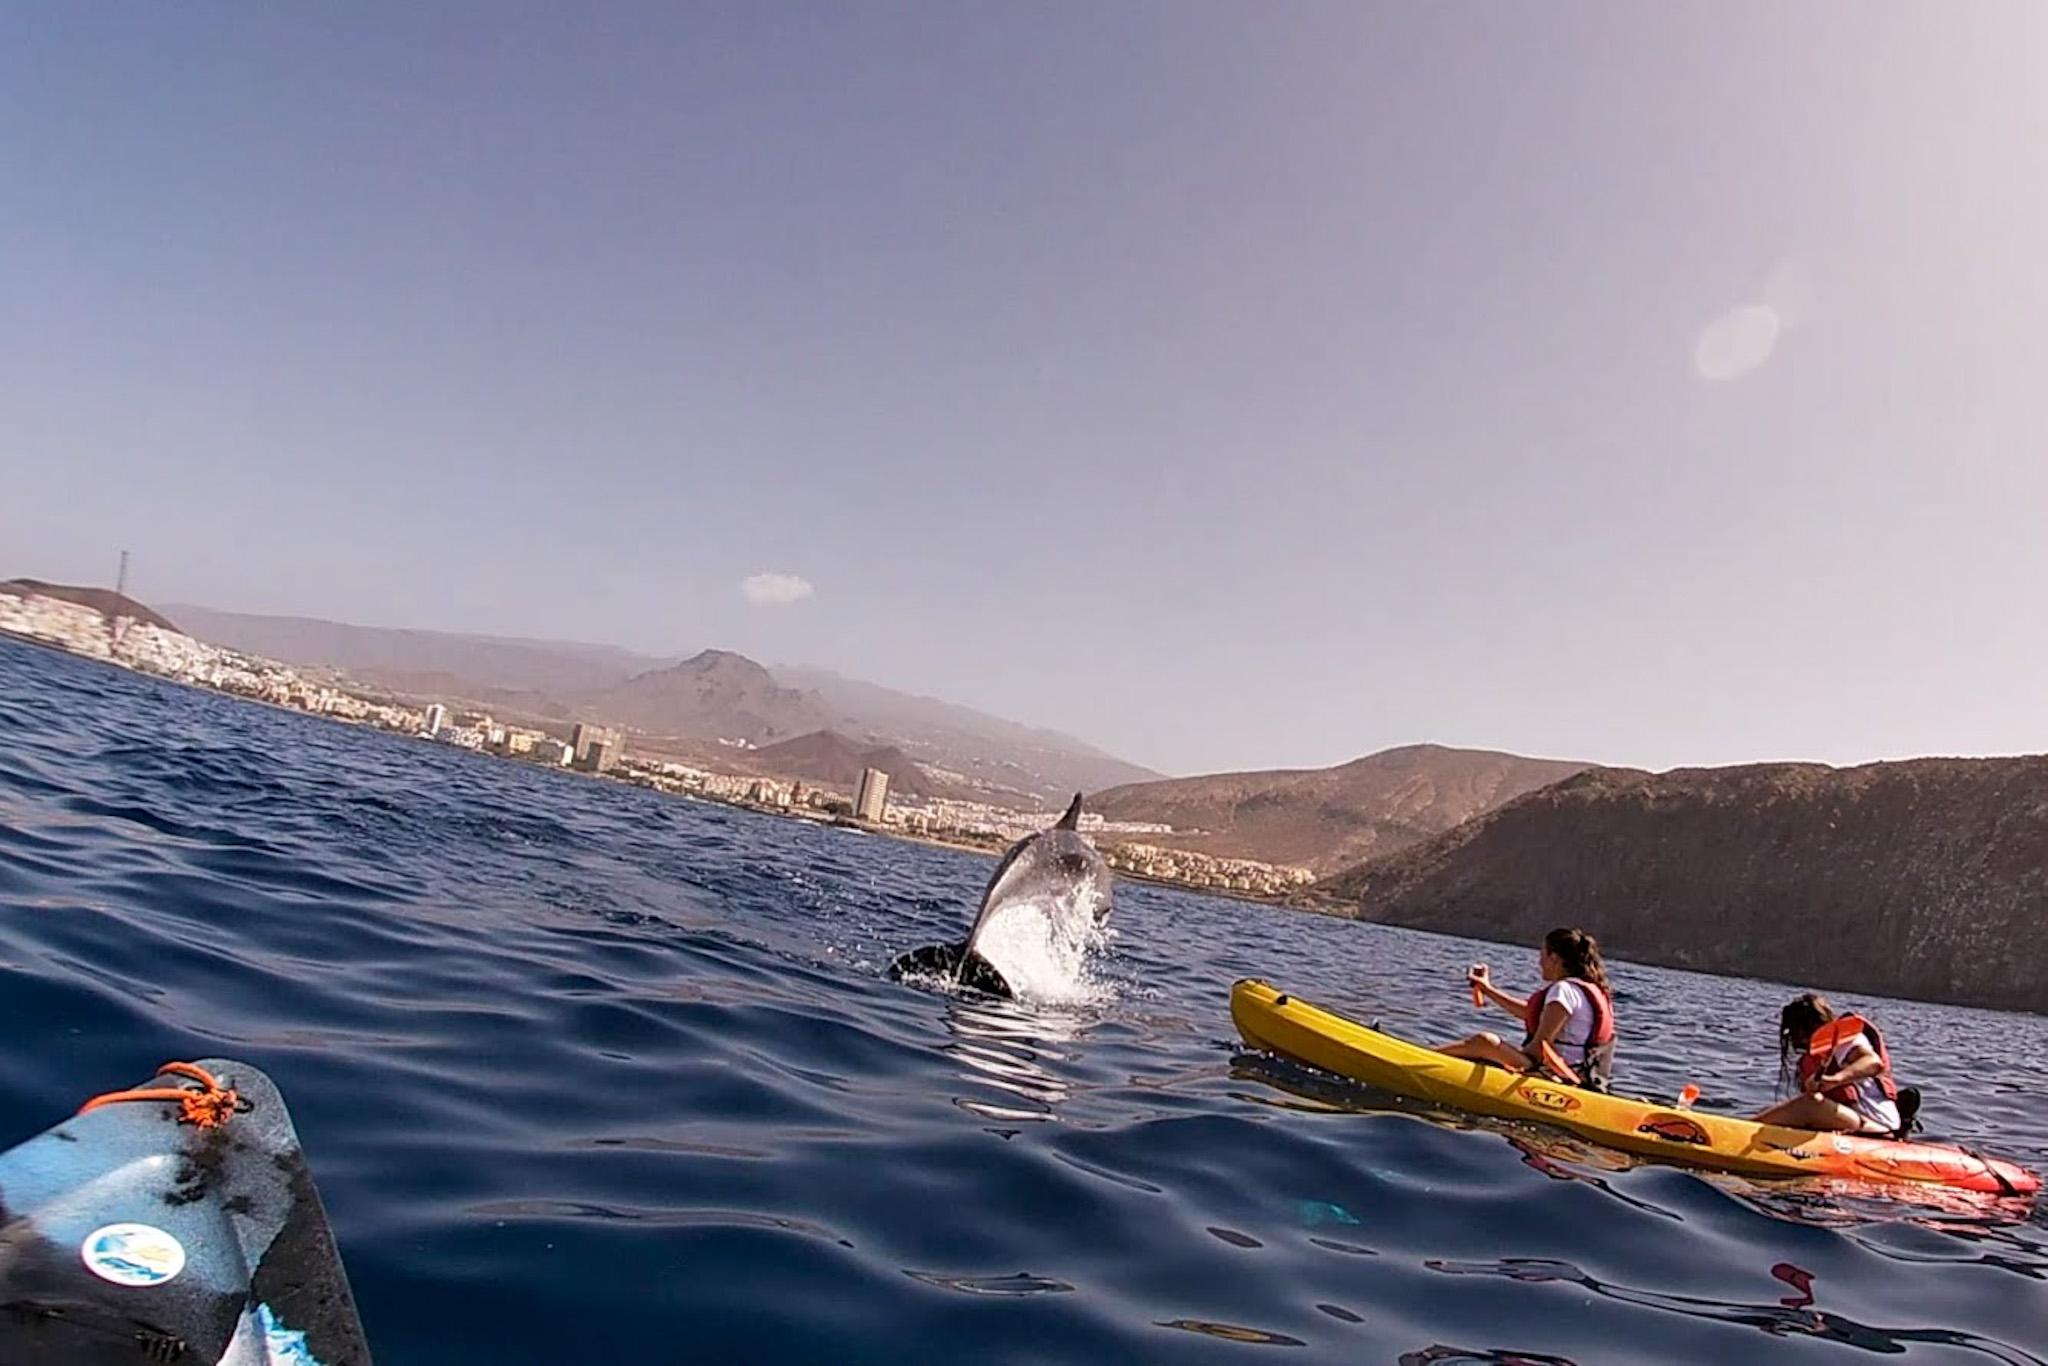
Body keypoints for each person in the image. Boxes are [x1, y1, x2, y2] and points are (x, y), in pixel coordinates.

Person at [1440, 927, 1616, 1091]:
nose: (1539, 962)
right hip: (1578, 1076)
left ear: (1554, 958)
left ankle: (1420, 1061)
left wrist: (1504, 1058)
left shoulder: (1563, 990)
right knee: (1488, 1049)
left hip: (1555, 1076)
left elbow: (1540, 1047)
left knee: (1485, 1042)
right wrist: (1487, 989)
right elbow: (1531, 1014)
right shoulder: (1584, 991)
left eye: (1542, 955)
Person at [1752, 993, 1914, 1135]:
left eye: (1800, 1031)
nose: (1797, 1039)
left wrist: (1836, 1079)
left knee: (1810, 1104)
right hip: (1847, 1119)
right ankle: (1749, 1128)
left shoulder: (1845, 1039)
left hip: (1875, 1123)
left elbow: (1873, 1062)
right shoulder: (1813, 1056)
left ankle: (1744, 1132)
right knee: (1787, 1109)